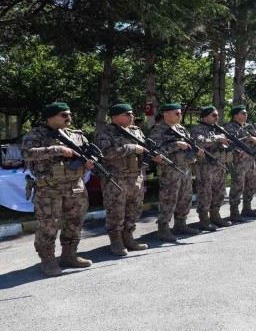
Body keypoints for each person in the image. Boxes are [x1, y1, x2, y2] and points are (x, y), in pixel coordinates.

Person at [21, 102, 93, 276]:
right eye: (63, 115)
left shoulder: (76, 135)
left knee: (75, 222)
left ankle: (69, 255)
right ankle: (48, 261)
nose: (69, 117)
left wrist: (90, 161)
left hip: (75, 187)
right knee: (48, 225)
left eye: (69, 114)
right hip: (49, 189)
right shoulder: (35, 135)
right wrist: (56, 149)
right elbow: (26, 154)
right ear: (50, 117)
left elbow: (87, 153)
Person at [96, 103, 155, 256]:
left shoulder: (136, 131)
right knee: (115, 211)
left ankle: (128, 237)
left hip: (136, 177)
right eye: (127, 114)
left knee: (134, 210)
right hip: (116, 179)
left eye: (132, 114)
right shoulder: (105, 133)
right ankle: (116, 241)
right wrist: (130, 148)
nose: (131, 117)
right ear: (115, 117)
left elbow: (145, 149)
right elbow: (105, 153)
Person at [149, 103, 204, 241]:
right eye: (177, 113)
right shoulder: (158, 131)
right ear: (165, 114)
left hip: (185, 168)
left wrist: (196, 152)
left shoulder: (181, 128)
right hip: (169, 170)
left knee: (185, 198)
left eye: (180, 113)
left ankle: (181, 224)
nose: (180, 115)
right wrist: (175, 145)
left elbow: (190, 144)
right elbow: (154, 153)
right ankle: (163, 228)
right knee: (169, 199)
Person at [190, 106, 233, 228]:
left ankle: (215, 216)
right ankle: (204, 219)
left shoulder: (218, 129)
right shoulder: (197, 129)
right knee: (205, 192)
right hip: (204, 166)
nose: (217, 118)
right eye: (214, 115)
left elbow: (228, 142)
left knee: (219, 192)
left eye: (218, 115)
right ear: (205, 117)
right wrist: (218, 139)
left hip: (219, 164)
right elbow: (199, 142)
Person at [224, 105, 256, 221]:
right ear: (235, 115)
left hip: (250, 160)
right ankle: (234, 212)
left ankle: (247, 208)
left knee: (251, 184)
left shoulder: (248, 127)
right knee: (238, 185)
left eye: (246, 113)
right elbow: (230, 144)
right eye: (243, 113)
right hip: (238, 161)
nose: (246, 115)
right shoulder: (230, 127)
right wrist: (242, 152)